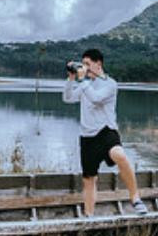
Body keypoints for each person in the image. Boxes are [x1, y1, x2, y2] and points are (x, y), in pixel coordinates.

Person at [62, 48, 149, 217]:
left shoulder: (110, 84)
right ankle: (89, 216)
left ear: (98, 64)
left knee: (119, 154)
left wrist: (81, 80)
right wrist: (71, 79)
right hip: (87, 136)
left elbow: (95, 98)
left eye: (87, 64)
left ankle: (135, 197)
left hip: (106, 131)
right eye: (83, 64)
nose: (85, 68)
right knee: (89, 180)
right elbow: (68, 98)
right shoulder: (85, 83)